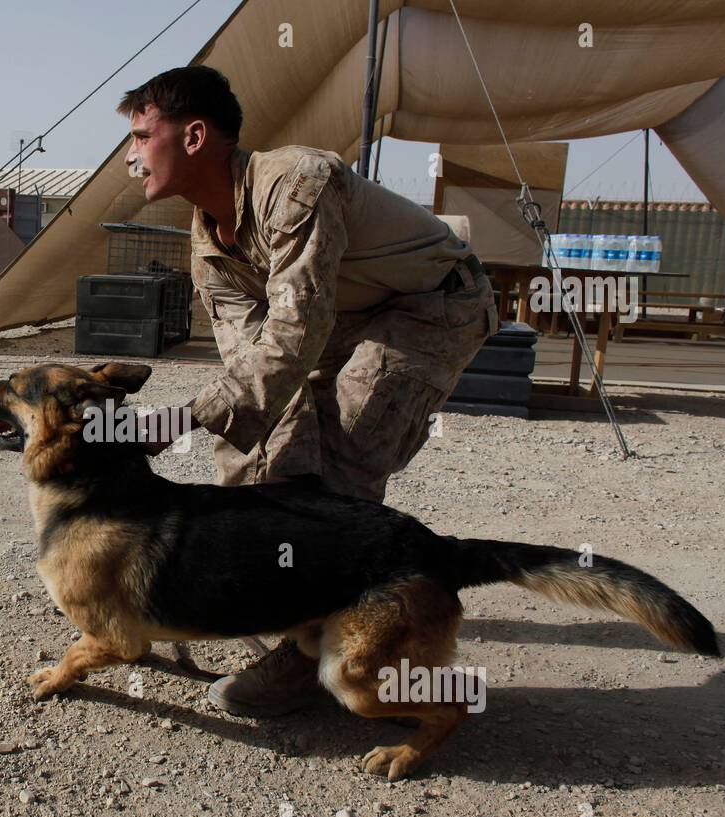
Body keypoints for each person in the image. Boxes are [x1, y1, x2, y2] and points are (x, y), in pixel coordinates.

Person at [117, 65, 499, 718]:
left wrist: (180, 418)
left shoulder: (296, 182)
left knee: (348, 446)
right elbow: (254, 375)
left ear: (194, 136)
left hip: (431, 307)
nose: (129, 158)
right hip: (341, 320)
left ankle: (311, 658)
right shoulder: (209, 245)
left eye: (141, 135)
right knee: (258, 453)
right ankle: (306, 606)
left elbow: (295, 333)